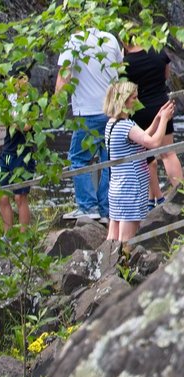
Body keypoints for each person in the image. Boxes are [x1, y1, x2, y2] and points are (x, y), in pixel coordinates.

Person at [58, 27, 124, 221]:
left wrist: (52, 106)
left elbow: (64, 77)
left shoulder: (74, 41)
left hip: (87, 112)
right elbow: (120, 67)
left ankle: (87, 207)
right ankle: (106, 209)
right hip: (112, 110)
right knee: (108, 160)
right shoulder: (110, 38)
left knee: (78, 159)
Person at [104, 80, 175, 242]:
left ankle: (107, 266)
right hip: (131, 190)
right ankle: (123, 266)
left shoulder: (114, 123)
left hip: (118, 188)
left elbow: (141, 138)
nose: (137, 101)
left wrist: (157, 119)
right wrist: (165, 120)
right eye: (134, 98)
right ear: (123, 100)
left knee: (113, 238)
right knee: (126, 240)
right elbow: (154, 143)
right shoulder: (126, 126)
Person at [123, 38, 180, 197]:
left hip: (139, 110)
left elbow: (123, 89)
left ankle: (155, 196)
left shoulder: (125, 63)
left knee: (145, 157)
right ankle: (180, 194)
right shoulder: (157, 51)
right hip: (162, 106)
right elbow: (166, 75)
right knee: (168, 153)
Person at [0, 67, 37, 230]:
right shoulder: (8, 99)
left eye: (17, 79)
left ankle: (23, 236)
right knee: (2, 196)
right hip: (7, 150)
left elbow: (27, 126)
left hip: (23, 153)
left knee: (20, 197)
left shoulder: (32, 102)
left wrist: (10, 121)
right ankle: (8, 235)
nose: (14, 83)